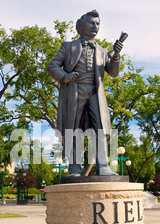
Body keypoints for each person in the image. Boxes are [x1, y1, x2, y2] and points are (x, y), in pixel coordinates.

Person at [47, 10, 123, 176]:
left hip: (95, 93)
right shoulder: (68, 47)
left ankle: (103, 166)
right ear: (81, 26)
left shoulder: (103, 51)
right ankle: (75, 168)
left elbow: (113, 72)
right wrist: (65, 77)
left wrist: (116, 55)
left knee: (100, 129)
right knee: (74, 130)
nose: (96, 26)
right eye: (92, 23)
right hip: (75, 91)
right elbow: (52, 66)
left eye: (98, 23)